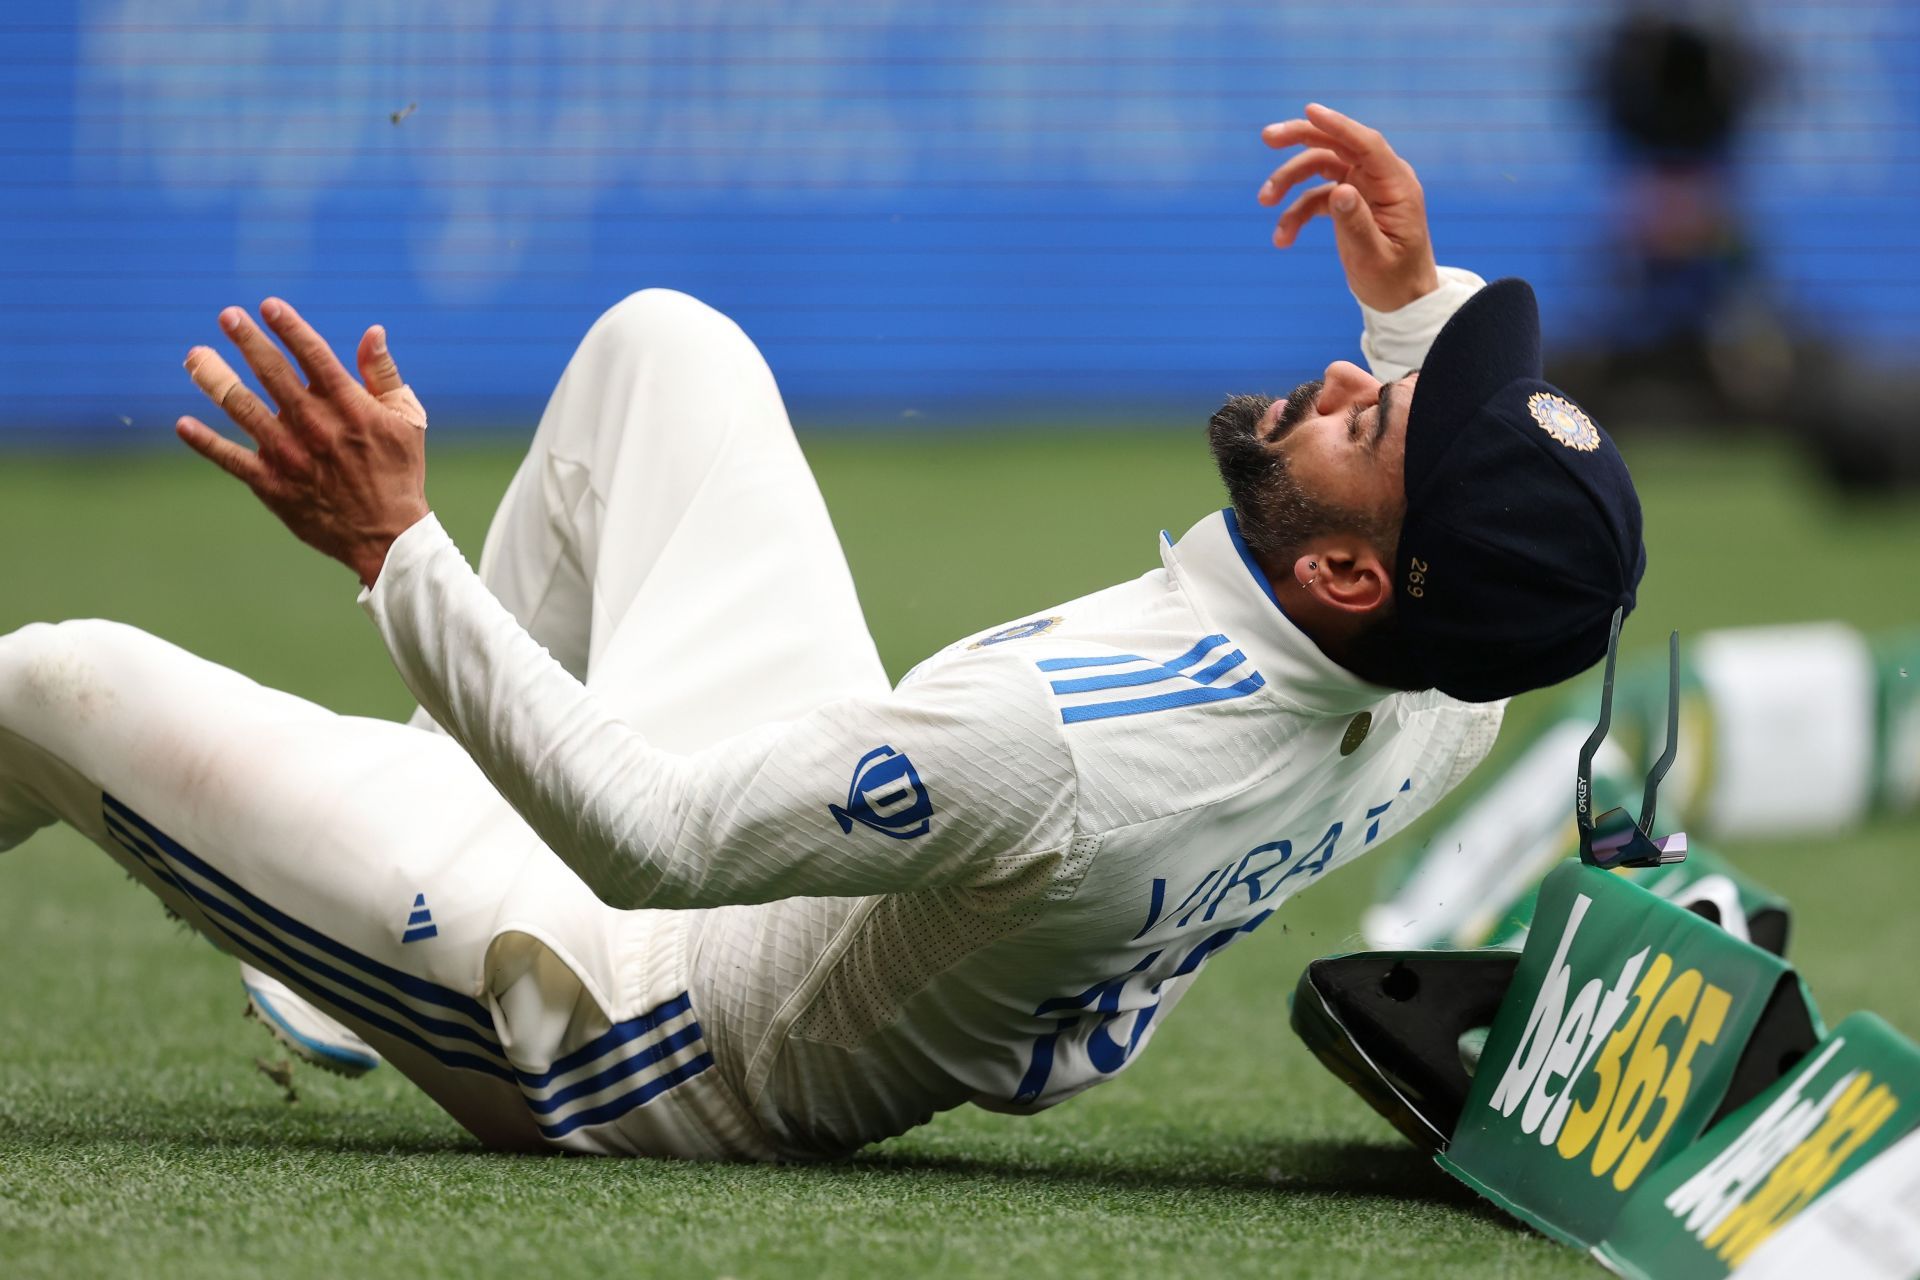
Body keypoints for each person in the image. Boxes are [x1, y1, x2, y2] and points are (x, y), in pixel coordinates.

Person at [0, 105, 1643, 1159]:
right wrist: (1416, 298)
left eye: (1374, 421)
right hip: (836, 880)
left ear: (1353, 581)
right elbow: (1481, 562)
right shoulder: (1457, 694)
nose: (1348, 376)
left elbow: (649, 844)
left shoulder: (1071, 740)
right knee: (667, 350)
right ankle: (379, 872)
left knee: (41, 680)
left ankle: (386, 927)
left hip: (623, 1021)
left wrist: (394, 548)